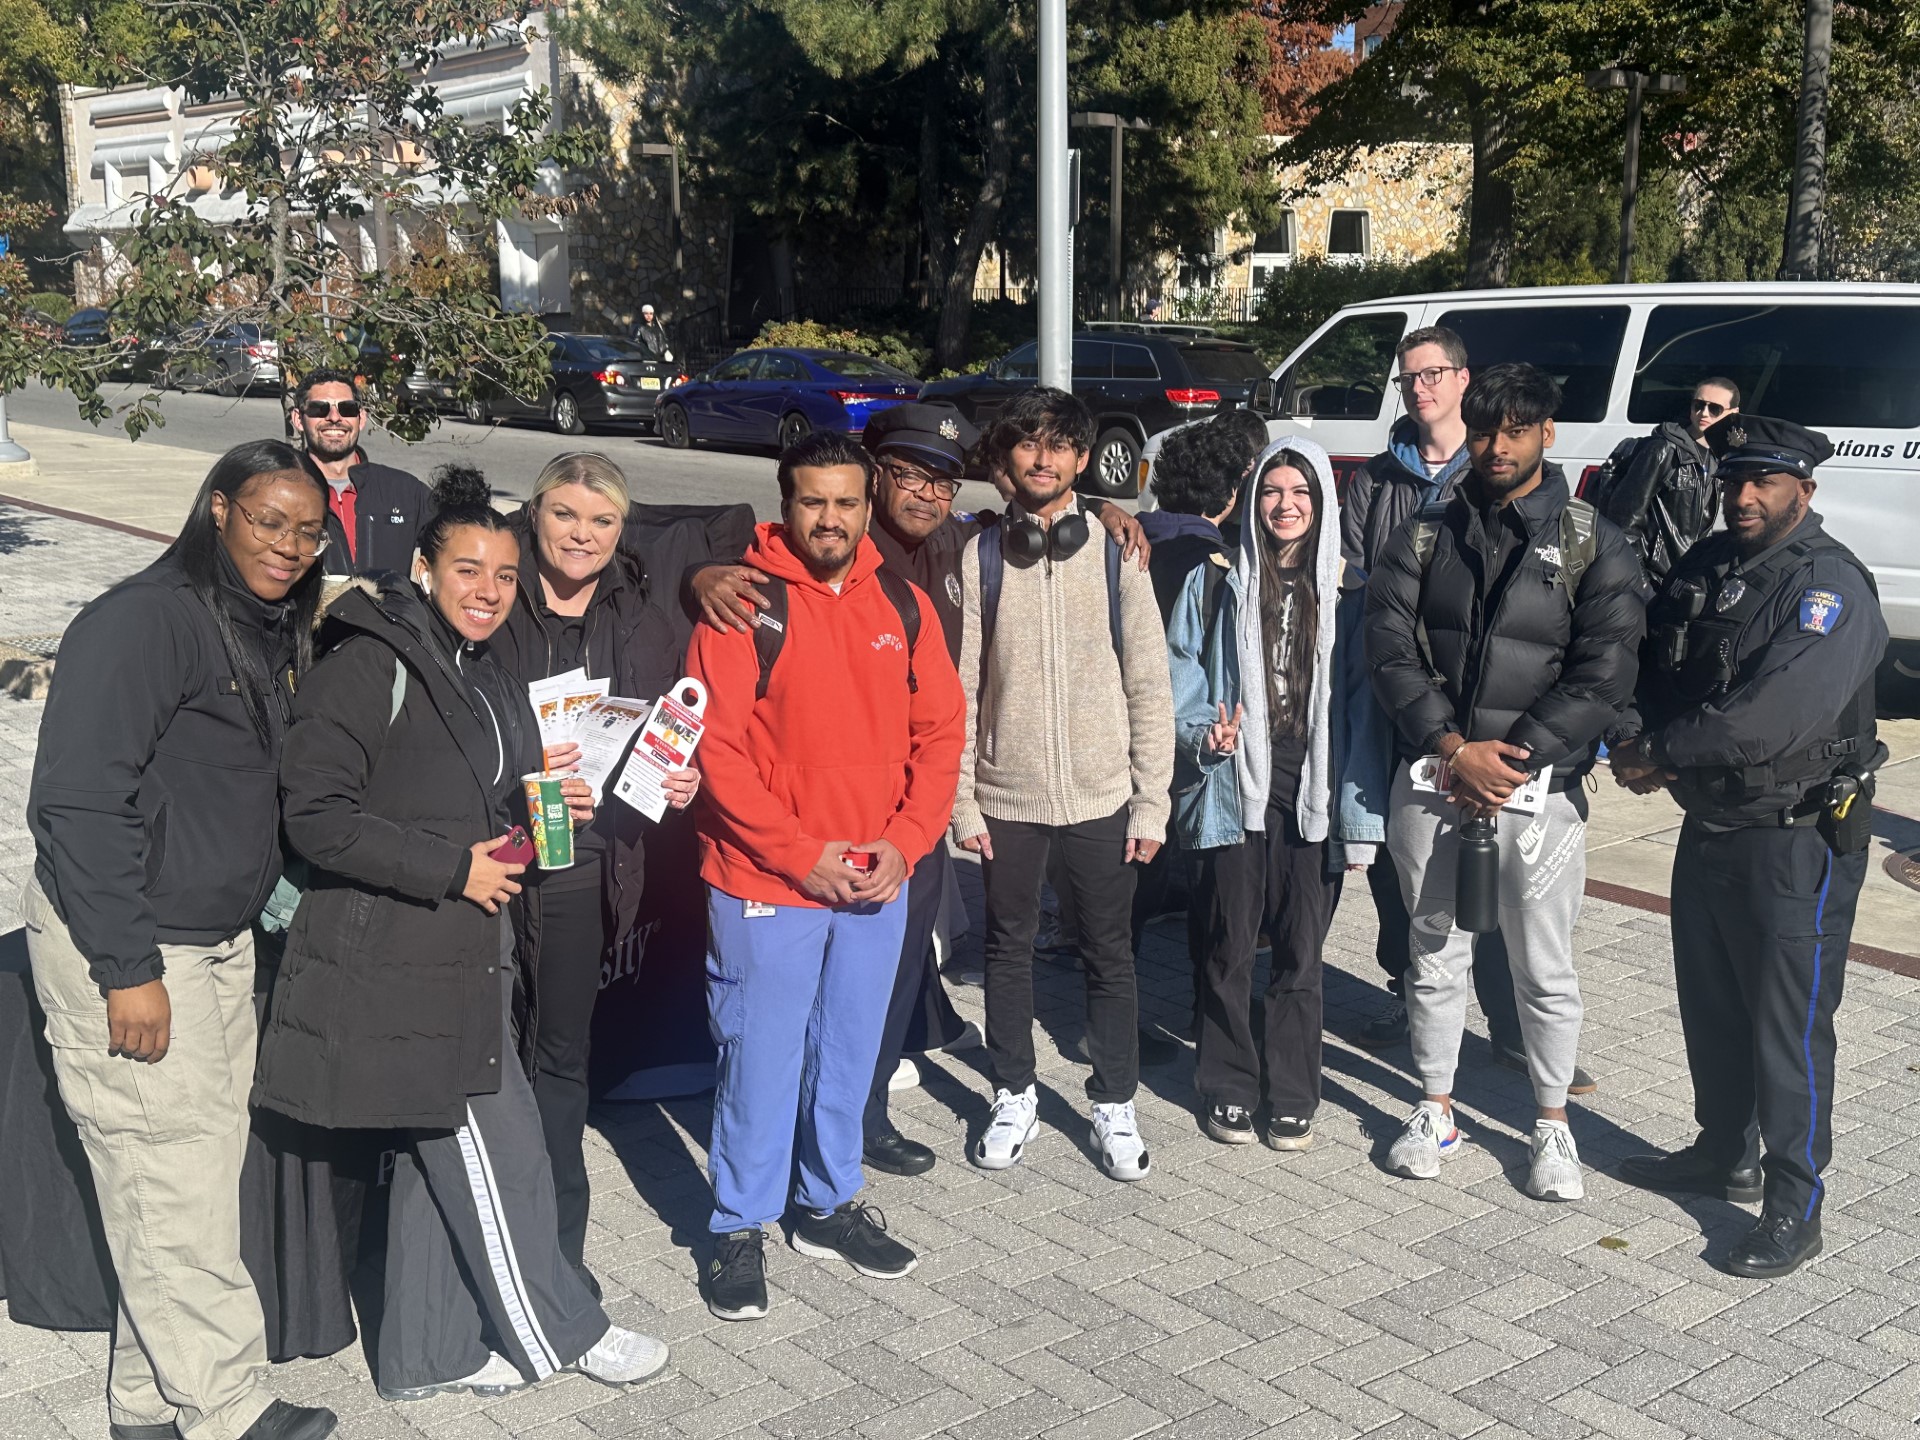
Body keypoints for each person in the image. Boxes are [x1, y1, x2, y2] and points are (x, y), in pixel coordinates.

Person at [254, 466, 670, 1400]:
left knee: (436, 1164)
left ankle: (424, 1355)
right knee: (503, 1152)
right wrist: (456, 869)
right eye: (469, 570)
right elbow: (316, 815)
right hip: (401, 960)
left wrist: (540, 798)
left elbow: (471, 795)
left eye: (504, 576)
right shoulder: (372, 660)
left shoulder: (472, 668)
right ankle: (564, 1333)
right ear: (423, 569)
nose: (488, 591)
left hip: (460, 952)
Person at [23, 440, 339, 1440]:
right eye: (266, 520)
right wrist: (129, 970)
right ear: (218, 511)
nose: (287, 544)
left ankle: (147, 1407)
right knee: (176, 1180)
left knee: (175, 1184)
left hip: (213, 940)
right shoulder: (142, 623)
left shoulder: (259, 624)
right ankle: (228, 1410)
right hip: (131, 947)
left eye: (306, 527)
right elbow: (75, 804)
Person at [685, 430, 965, 1322]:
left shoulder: (904, 604)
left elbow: (940, 735)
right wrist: (798, 853)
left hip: (875, 878)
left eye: (846, 501)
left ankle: (828, 1201)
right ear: (785, 501)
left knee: (846, 1057)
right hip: (767, 880)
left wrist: (908, 841)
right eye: (814, 501)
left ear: (867, 497)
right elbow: (717, 753)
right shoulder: (743, 609)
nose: (831, 518)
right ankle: (738, 1225)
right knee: (759, 1060)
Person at [1609, 415, 1885, 1278]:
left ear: (1806, 489)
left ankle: (1794, 1202)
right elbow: (1648, 659)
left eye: (1763, 482)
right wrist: (1629, 727)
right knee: (1713, 1003)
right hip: (1713, 826)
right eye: (1734, 480)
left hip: (1793, 838)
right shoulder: (1709, 566)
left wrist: (1661, 751)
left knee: (1789, 1029)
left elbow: (1774, 715)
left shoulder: (1829, 588)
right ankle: (1722, 1150)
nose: (1743, 497)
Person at [1364, 363, 1645, 1202]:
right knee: (1434, 949)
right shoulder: (1425, 530)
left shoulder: (1597, 540)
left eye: (1514, 430)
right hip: (1434, 778)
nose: (1494, 445)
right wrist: (1453, 747)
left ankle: (1552, 1126)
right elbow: (1389, 646)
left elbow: (1605, 674)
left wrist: (1508, 758)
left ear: (1546, 434)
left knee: (1543, 966)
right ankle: (1436, 1107)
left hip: (1539, 792)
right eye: (1484, 429)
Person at [1339, 329, 1594, 1099]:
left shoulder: (1562, 520)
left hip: (1519, 759)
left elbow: (1597, 658)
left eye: (1433, 374)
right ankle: (1422, 1050)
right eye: (1407, 377)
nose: (1420, 388)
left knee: (1525, 921)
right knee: (1419, 906)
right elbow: (1372, 612)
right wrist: (1442, 734)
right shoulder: (1398, 500)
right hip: (1417, 734)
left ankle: (1524, 1053)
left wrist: (1512, 756)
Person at [486, 452, 701, 1288]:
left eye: (602, 521)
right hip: (499, 852)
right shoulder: (493, 600)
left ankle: (556, 1248)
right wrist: (519, 764)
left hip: (586, 864)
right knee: (495, 1045)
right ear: (534, 515)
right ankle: (493, 1228)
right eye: (567, 515)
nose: (582, 535)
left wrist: (683, 776)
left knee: (562, 1056)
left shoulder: (642, 617)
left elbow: (674, 724)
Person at [952, 387, 1175, 1183]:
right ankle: (1014, 1091)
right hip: (1005, 795)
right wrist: (962, 799)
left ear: (1083, 459)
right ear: (1007, 457)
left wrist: (1152, 799)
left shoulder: (1120, 551)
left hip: (1102, 797)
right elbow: (961, 687)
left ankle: (1114, 1101)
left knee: (1109, 956)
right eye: (1027, 445)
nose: (1041, 460)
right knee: (1006, 951)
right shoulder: (979, 553)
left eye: (1058, 447)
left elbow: (1150, 684)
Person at [1168, 437, 1390, 1148]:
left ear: (1321, 501)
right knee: (1229, 943)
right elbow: (1181, 671)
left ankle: (1293, 1091)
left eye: (1300, 492)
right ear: (1253, 498)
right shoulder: (1215, 579)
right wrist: (1205, 732)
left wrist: (1360, 821)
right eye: (1272, 490)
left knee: (1301, 953)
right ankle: (1228, 1084)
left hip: (1313, 790)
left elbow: (1363, 712)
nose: (1286, 505)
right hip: (1238, 785)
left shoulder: (1351, 592)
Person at [1591, 375, 1740, 587]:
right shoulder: (1662, 449)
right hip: (1652, 579)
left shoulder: (1720, 457)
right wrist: (1641, 582)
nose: (1703, 413)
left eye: (1714, 408)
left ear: (1733, 413)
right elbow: (1624, 522)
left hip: (1685, 577)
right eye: (1698, 405)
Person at [290, 367, 431, 577]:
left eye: (347, 408)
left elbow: (461, 540)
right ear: (298, 420)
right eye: (319, 409)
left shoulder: (404, 491)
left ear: (361, 419)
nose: (334, 417)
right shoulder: (282, 492)